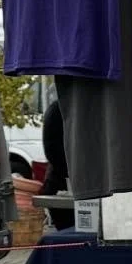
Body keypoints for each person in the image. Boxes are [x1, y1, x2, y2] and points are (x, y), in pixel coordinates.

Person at [38, 92, 74, 231]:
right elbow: (53, 151)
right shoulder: (58, 109)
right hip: (62, 185)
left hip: (63, 183)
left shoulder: (57, 108)